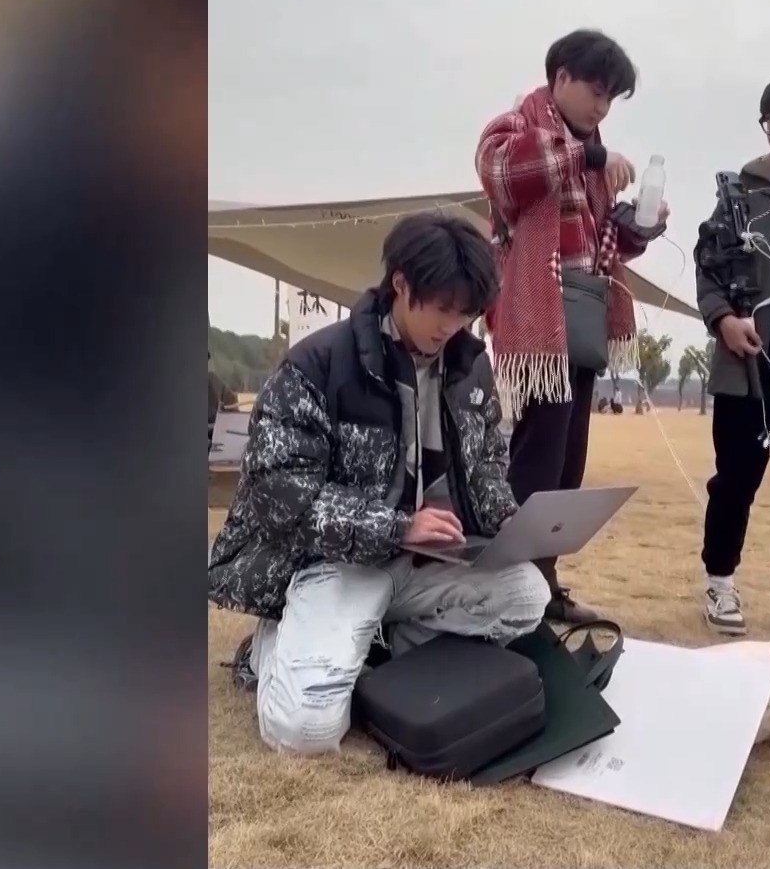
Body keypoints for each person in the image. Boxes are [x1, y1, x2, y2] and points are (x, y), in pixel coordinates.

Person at [208, 212, 551, 755]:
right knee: (306, 733)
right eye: (442, 308)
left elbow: (485, 464)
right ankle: (269, 647)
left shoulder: (469, 368)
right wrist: (395, 528)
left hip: (430, 564)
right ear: (401, 285)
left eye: (466, 313)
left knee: (529, 594)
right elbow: (280, 492)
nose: (452, 326)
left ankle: (385, 647)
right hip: (337, 562)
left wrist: (511, 521)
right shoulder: (318, 365)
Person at [474, 28, 669, 624]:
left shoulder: (591, 155)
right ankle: (515, 589)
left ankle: (540, 582)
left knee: (567, 460)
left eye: (611, 97)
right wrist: (591, 157)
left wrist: (639, 225)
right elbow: (504, 173)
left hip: (580, 321)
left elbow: (604, 245)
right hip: (537, 326)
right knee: (538, 458)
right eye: (596, 90)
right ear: (560, 77)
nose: (602, 107)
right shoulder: (515, 126)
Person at [694, 67, 770, 635]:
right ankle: (719, 582)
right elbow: (709, 264)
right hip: (752, 360)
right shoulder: (743, 190)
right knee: (736, 478)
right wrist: (722, 319)